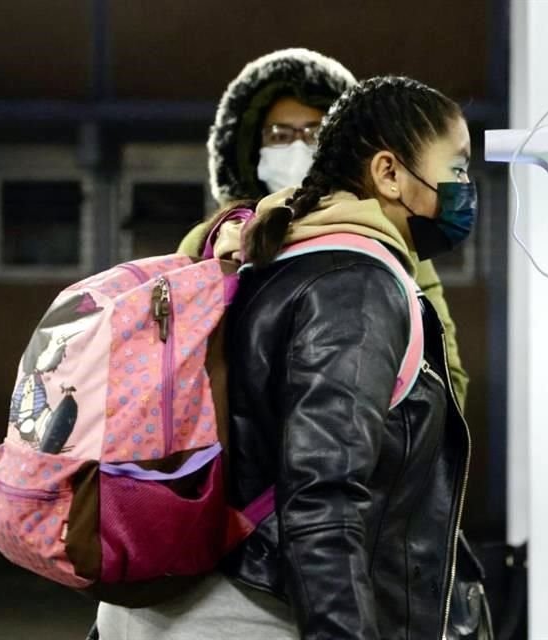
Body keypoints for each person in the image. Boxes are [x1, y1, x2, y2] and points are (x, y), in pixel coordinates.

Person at [96, 75, 489, 639]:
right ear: (389, 173)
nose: (464, 185)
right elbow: (324, 496)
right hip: (239, 615)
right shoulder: (354, 285)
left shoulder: (268, 258)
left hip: (160, 604)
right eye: (456, 167)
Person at [177, 47, 469, 407]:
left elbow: (443, 366)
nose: (298, 147)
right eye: (280, 135)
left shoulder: (386, 242)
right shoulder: (211, 239)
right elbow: (174, 354)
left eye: (314, 133)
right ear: (252, 148)